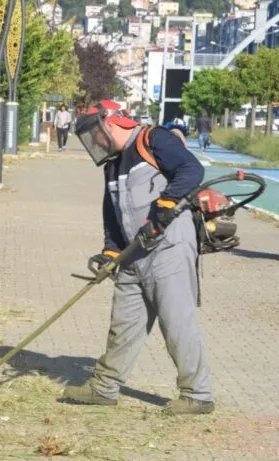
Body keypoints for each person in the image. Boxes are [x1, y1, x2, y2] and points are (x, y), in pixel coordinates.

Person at [65, 99, 214, 415]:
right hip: (133, 254)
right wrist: (110, 251)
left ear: (110, 123)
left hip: (169, 248)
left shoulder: (153, 139)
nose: (93, 142)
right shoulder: (113, 164)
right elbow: (112, 211)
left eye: (94, 134)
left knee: (176, 322)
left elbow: (192, 169)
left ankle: (197, 395)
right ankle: (104, 388)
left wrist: (166, 205)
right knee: (123, 322)